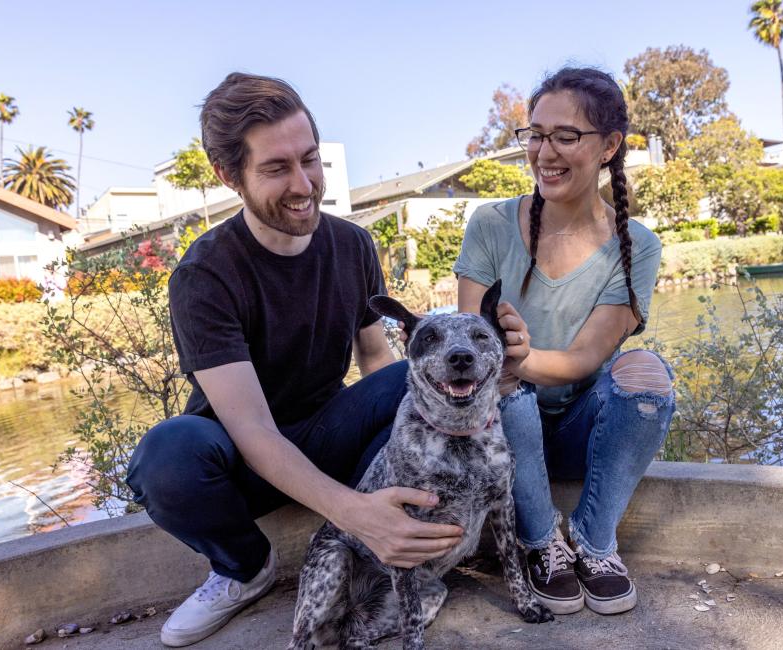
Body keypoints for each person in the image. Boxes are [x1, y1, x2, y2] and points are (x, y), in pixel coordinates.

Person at [125, 73, 464, 648]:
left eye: (310, 159)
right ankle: (243, 569)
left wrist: (411, 442)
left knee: (413, 383)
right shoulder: (205, 275)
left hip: (329, 437)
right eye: (276, 168)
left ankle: (387, 553)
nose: (304, 184)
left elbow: (375, 357)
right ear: (229, 176)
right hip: (239, 459)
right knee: (166, 456)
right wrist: (356, 512)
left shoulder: (352, 245)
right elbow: (254, 429)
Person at [453, 67, 675, 616]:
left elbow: (586, 359)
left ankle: (595, 542)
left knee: (646, 373)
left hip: (582, 427)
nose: (545, 152)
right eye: (536, 134)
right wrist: (505, 359)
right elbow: (467, 353)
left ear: (609, 146)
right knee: (501, 380)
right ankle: (539, 542)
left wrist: (524, 357)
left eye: (566, 136)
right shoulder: (490, 224)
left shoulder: (636, 246)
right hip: (500, 428)